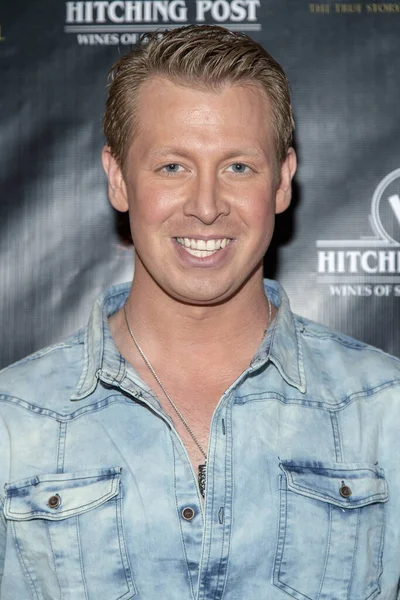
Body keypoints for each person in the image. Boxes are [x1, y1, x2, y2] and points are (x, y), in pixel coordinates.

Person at [0, 24, 400, 600]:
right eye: (173, 167)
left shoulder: (383, 409)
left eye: (238, 167)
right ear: (118, 179)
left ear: (283, 181)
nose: (207, 206)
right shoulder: (14, 420)